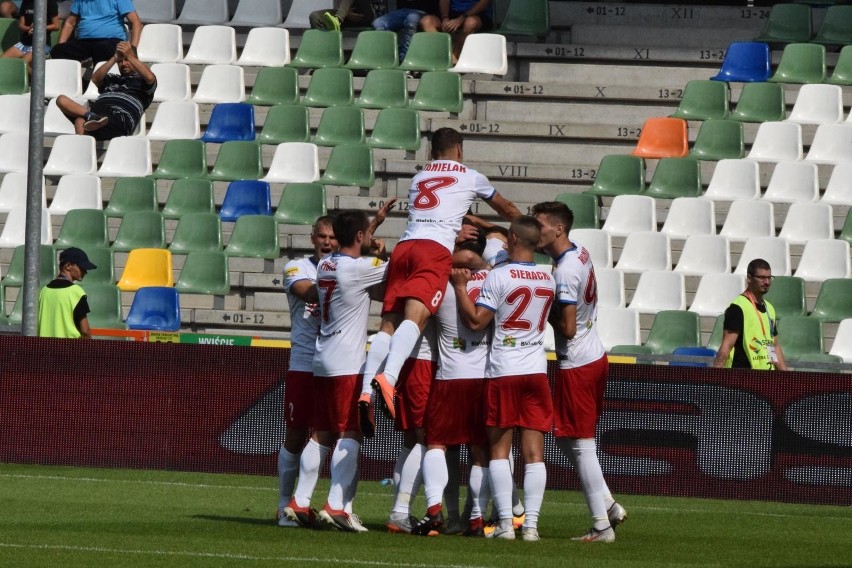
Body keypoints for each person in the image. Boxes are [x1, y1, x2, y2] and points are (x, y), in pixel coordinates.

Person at [360, 127, 521, 426]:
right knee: (416, 318)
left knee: (389, 324)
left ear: (431, 152)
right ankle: (389, 378)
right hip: (431, 252)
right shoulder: (471, 176)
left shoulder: (418, 177)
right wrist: (527, 229)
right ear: (459, 150)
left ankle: (366, 390)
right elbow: (507, 208)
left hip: (404, 247)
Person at [451, 216, 554, 542]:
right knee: (535, 454)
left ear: (511, 238)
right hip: (536, 370)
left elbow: (477, 321)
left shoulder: (499, 276)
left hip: (505, 369)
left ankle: (507, 525)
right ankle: (533, 527)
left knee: (498, 451)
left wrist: (460, 288)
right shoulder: (549, 278)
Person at [284, 210, 388, 533]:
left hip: (321, 358)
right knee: (351, 430)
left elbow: (354, 248)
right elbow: (402, 268)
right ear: (360, 237)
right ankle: (335, 506)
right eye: (366, 235)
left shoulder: (326, 265)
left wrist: (369, 231)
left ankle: (299, 502)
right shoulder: (360, 268)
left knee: (322, 433)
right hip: (347, 361)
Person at [533, 201, 628, 543]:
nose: (536, 231)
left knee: (582, 444)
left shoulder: (564, 271)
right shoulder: (579, 254)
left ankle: (601, 526)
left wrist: (540, 305)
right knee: (566, 437)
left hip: (577, 361)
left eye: (541, 225)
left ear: (558, 229)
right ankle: (608, 504)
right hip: (593, 356)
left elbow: (568, 327)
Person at [411, 231, 492, 537]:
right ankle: (476, 518)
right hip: (484, 377)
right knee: (481, 451)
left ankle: (435, 511)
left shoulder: (439, 281)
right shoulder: (494, 280)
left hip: (449, 377)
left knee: (436, 444)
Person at [276, 216, 338, 527]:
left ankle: (316, 504)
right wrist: (345, 276)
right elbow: (309, 293)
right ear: (312, 237)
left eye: (332, 237)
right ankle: (283, 506)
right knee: (296, 434)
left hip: (335, 364)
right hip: (303, 363)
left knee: (329, 434)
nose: (327, 242)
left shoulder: (345, 267)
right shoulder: (296, 267)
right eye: (322, 236)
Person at [56, 41, 156, 140]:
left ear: (135, 59)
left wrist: (130, 55)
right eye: (120, 61)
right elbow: (95, 79)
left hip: (120, 119)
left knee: (80, 122)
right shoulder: (113, 79)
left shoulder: (143, 82)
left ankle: (91, 129)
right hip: (97, 117)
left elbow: (150, 78)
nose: (124, 64)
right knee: (63, 102)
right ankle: (92, 118)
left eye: (127, 59)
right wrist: (114, 58)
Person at [713, 258, 788, 371]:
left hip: (765, 379)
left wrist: (786, 377)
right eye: (762, 278)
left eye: (769, 277)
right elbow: (726, 345)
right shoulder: (738, 307)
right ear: (749, 278)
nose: (767, 282)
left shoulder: (770, 309)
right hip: (741, 377)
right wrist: (715, 374)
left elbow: (774, 346)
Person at [51, 0, 142, 64]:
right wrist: (61, 44)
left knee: (102, 48)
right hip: (85, 42)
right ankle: (74, 83)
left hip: (111, 40)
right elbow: (70, 23)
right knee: (58, 50)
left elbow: (136, 23)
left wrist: (132, 51)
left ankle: (100, 83)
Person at [37, 247, 96, 339]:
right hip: (69, 350)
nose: (85, 271)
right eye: (82, 267)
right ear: (68, 266)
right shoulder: (76, 292)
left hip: (44, 349)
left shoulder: (44, 291)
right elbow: (85, 331)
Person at [420, 0, 492, 62]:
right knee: (426, 21)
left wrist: (462, 18)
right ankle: (444, 54)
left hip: (477, 13)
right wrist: (445, 17)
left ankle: (454, 57)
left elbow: (484, 3)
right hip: (453, 13)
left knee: (471, 23)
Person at [1, 0, 60, 74]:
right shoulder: (25, 2)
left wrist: (39, 28)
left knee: (23, 63)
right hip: (24, 43)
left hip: (41, 44)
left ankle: (39, 80)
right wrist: (30, 29)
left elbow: (56, 26)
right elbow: (21, 25)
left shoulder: (50, 2)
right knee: (2, 61)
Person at [372, 0, 439, 61]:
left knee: (412, 18)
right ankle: (393, 54)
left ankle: (403, 59)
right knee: (378, 23)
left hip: (423, 11)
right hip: (402, 11)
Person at [311, 0, 386, 31]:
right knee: (315, 16)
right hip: (345, 13)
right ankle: (323, 53)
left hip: (371, 12)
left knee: (338, 16)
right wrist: (347, 13)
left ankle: (338, 19)